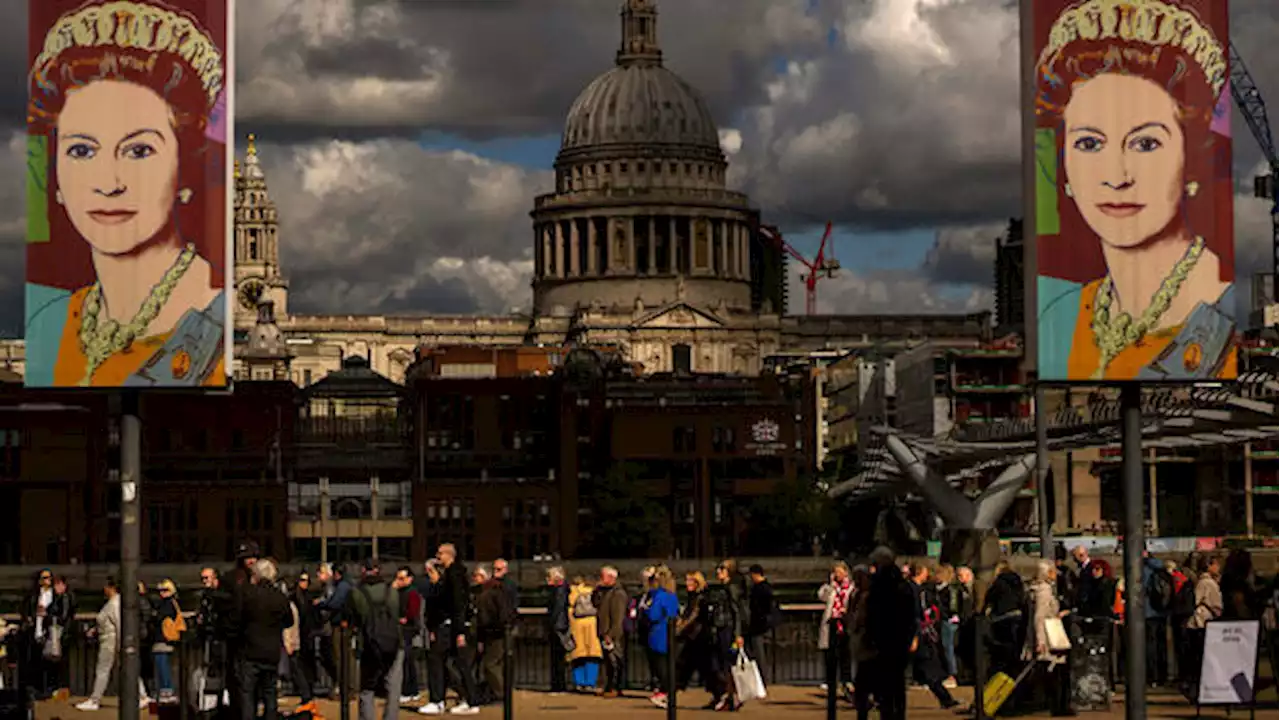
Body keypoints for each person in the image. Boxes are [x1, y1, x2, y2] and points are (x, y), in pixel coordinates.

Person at [24, 0, 230, 387]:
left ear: (185, 168)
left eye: (138, 150)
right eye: (82, 150)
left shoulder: (217, 318)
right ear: (56, 180)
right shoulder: (47, 324)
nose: (109, 182)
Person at [1034, 0, 1235, 381]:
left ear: (1191, 158)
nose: (1117, 176)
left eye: (1145, 144)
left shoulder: (1220, 307)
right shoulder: (1058, 316)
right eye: (1090, 144)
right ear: (1064, 167)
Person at [420, 543, 479, 715]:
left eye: (440, 554)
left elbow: (456, 603)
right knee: (456, 663)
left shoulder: (454, 575)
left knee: (439, 660)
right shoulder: (452, 574)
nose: (437, 557)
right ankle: (465, 699)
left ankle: (440, 699)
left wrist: (460, 631)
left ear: (449, 555)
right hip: (448, 624)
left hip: (448, 625)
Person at [77, 577, 149, 711]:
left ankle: (95, 700)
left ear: (111, 588)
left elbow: (120, 624)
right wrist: (95, 630)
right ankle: (142, 696)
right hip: (110, 640)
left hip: (111, 642)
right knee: (128, 669)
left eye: (105, 587)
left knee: (103, 671)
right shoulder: (113, 602)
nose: (104, 589)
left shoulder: (115, 603)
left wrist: (123, 644)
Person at [862, 547, 917, 720]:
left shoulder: (879, 585)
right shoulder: (903, 585)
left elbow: (873, 614)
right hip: (899, 640)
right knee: (897, 684)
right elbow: (911, 615)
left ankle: (888, 714)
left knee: (884, 684)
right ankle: (898, 714)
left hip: (883, 640)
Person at [348, 558, 406, 720]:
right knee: (393, 687)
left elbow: (354, 619)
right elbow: (396, 614)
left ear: (363, 571)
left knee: (367, 688)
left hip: (368, 643)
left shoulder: (356, 592)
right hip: (394, 642)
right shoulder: (391, 590)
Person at [237, 559, 293, 720]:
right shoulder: (279, 596)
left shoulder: (248, 594)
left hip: (250, 649)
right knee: (270, 692)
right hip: (271, 650)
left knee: (248, 693)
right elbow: (289, 621)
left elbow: (239, 619)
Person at [906, 564, 958, 710]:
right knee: (927, 668)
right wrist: (914, 636)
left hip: (921, 634)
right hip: (915, 634)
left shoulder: (920, 589)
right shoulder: (911, 590)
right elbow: (914, 615)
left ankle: (945, 698)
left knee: (926, 669)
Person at [1029, 560, 1075, 717]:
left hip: (1047, 632)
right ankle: (1058, 705)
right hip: (1049, 636)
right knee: (1056, 671)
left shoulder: (1037, 589)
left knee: (1051, 671)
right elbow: (1039, 617)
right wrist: (1040, 641)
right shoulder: (1045, 591)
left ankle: (1053, 703)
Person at [473, 565, 515, 705]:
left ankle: (500, 694)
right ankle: (497, 692)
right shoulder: (496, 590)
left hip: (495, 632)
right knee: (495, 663)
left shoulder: (488, 593)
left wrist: (486, 632)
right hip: (497, 631)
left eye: (477, 575)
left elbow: (486, 617)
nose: (474, 578)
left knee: (490, 664)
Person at [644, 567, 680, 710]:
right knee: (667, 665)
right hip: (669, 634)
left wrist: (647, 610)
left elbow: (653, 615)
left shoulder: (659, 596)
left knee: (660, 667)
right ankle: (668, 693)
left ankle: (664, 693)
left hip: (658, 633)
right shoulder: (673, 596)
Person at [817, 562, 854, 700]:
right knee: (830, 654)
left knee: (846, 655)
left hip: (845, 624)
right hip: (832, 623)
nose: (837, 575)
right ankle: (830, 681)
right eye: (835, 572)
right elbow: (821, 596)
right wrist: (830, 586)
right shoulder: (831, 588)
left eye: (839, 572)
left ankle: (847, 681)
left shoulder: (851, 587)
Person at [592, 566, 629, 698]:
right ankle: (608, 686)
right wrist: (596, 591)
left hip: (612, 632)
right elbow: (595, 603)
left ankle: (615, 687)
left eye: (603, 576)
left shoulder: (618, 593)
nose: (601, 579)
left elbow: (618, 617)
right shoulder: (603, 592)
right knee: (607, 661)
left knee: (615, 661)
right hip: (603, 630)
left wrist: (611, 634)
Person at [566, 575, 603, 694]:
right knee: (593, 656)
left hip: (577, 626)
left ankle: (579, 683)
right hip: (593, 626)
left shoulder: (572, 593)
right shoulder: (592, 592)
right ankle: (591, 683)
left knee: (578, 657)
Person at [149, 579, 183, 703]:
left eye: (165, 590)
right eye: (161, 590)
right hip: (163, 638)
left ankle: (167, 690)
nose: (162, 593)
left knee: (162, 664)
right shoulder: (170, 603)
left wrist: (154, 615)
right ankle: (165, 690)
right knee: (161, 664)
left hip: (164, 638)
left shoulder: (168, 604)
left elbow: (160, 617)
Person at [745, 564, 777, 686]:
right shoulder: (766, 588)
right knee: (759, 654)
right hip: (761, 625)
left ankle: (762, 681)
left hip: (758, 625)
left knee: (758, 655)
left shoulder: (760, 589)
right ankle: (761, 680)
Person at [545, 567, 571, 694]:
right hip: (559, 625)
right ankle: (558, 685)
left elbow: (557, 608)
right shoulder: (561, 590)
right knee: (558, 658)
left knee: (558, 658)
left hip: (558, 626)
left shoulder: (559, 591)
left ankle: (559, 685)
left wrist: (552, 623)